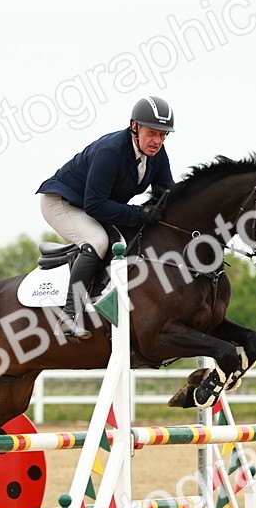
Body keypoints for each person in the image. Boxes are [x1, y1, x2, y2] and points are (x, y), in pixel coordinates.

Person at [36, 95, 176, 340]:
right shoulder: (111, 152)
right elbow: (95, 205)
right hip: (61, 203)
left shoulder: (157, 154)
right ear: (134, 127)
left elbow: (166, 193)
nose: (157, 141)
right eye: (152, 133)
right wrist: (139, 213)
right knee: (98, 241)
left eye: (163, 135)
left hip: (92, 205)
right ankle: (69, 317)